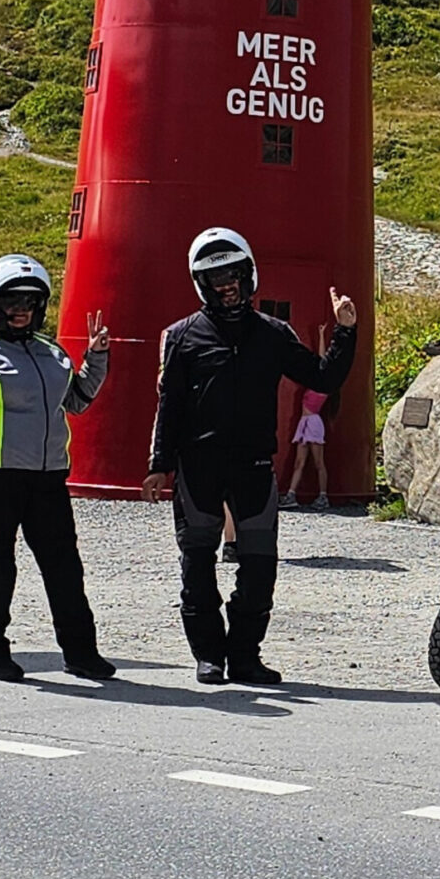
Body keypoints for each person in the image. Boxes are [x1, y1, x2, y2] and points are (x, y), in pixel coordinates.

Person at [143, 228, 357, 686]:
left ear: (249, 276)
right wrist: (159, 465)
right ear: (201, 284)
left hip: (254, 466)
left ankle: (244, 657)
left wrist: (345, 330)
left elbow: (322, 377)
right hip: (197, 467)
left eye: (234, 276)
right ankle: (208, 656)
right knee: (197, 564)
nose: (227, 286)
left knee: (260, 567)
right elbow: (170, 404)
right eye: (216, 279)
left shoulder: (273, 334)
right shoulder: (181, 337)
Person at [0, 254, 113, 684]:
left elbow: (77, 401)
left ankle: (81, 653)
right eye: (11, 301)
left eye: (30, 302)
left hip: (47, 477)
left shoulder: (52, 352)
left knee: (65, 567)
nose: (20, 310)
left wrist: (96, 358)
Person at [282, 386, 330, 511]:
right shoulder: (313, 384)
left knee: (319, 462)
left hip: (313, 422)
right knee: (299, 462)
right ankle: (291, 495)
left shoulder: (324, 388)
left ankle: (323, 496)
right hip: (304, 422)